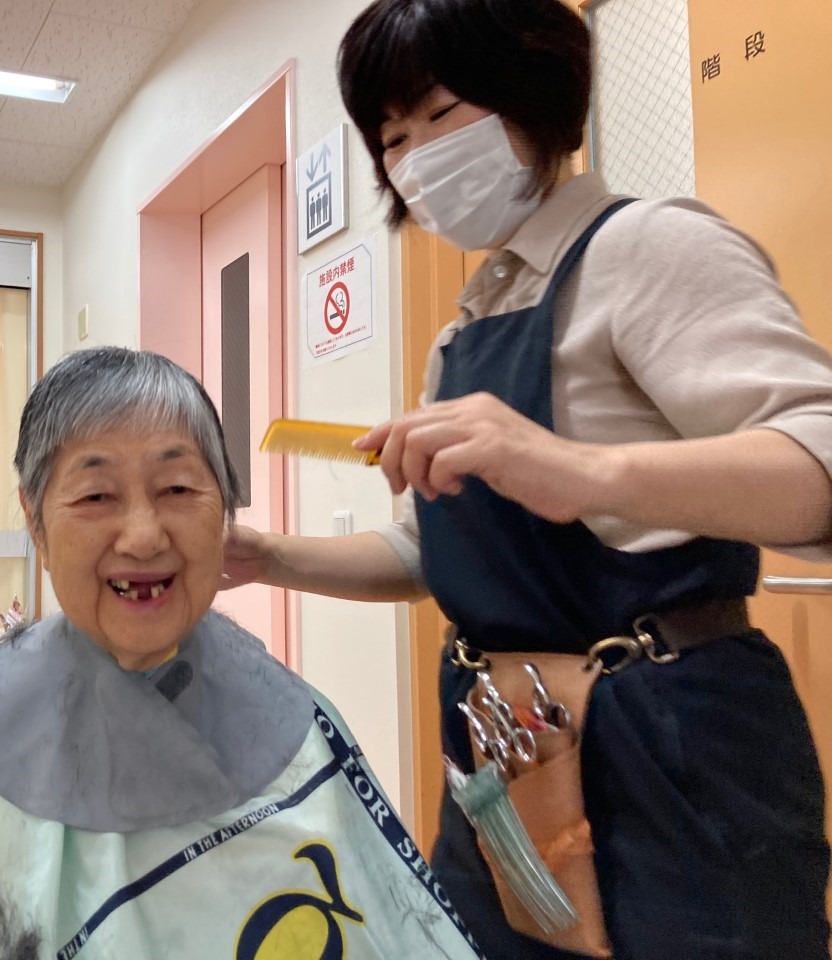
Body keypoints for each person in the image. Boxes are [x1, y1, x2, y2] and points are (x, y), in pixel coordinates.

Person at [224, 0, 832, 957]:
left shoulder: (648, 246)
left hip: (672, 748)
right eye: (392, 137)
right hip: (502, 747)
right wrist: (266, 556)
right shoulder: (462, 330)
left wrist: (584, 472)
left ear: (534, 94)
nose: (416, 156)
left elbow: (817, 460)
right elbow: (431, 554)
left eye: (441, 111)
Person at [0, 347, 483, 959]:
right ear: (34, 520)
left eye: (178, 488)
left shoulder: (300, 723)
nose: (143, 536)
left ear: (225, 512)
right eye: (95, 496)